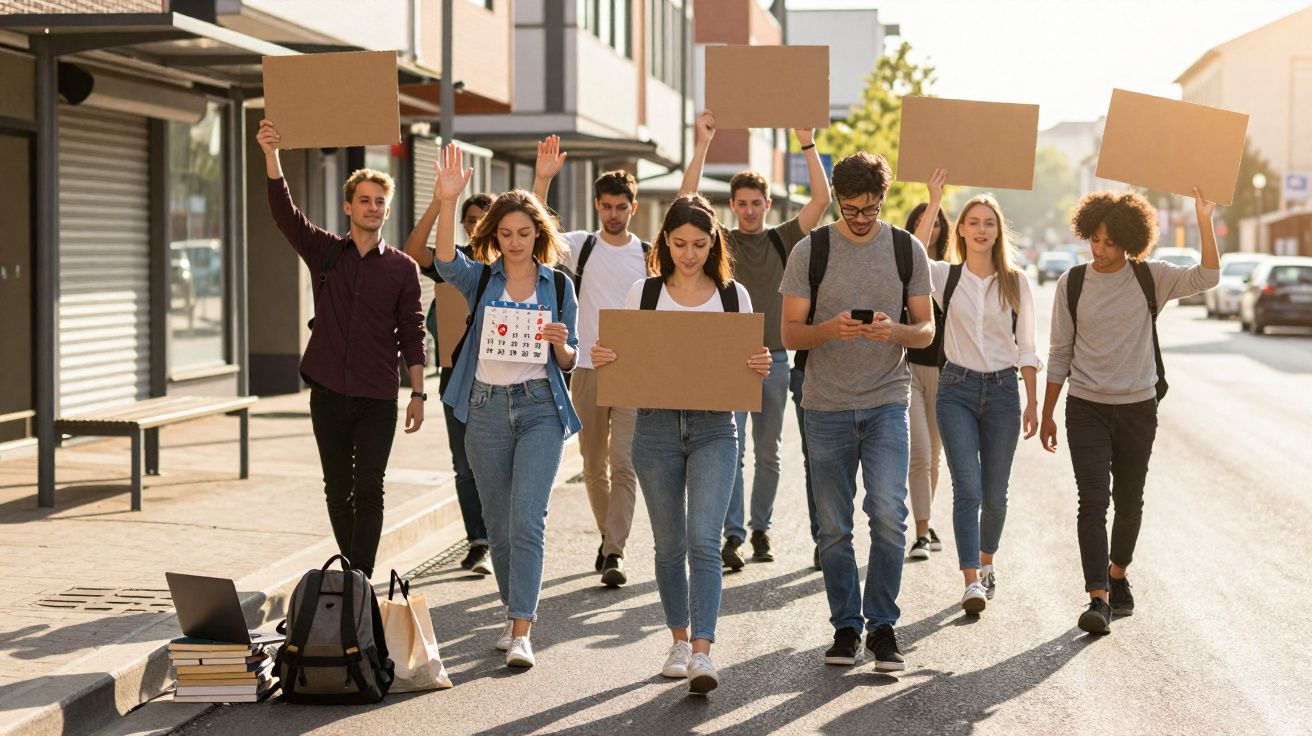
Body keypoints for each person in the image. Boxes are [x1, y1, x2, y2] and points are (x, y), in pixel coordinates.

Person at [592, 195, 771, 694]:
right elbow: (623, 358)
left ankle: (702, 652)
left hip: (717, 428)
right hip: (654, 428)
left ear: (713, 241)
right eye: (678, 244)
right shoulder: (643, 293)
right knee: (669, 545)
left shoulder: (734, 297)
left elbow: (748, 363)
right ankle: (677, 639)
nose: (688, 254)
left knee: (703, 542)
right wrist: (606, 355)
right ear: (664, 243)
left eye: (698, 243)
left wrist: (758, 366)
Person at [1041, 188, 1219, 635]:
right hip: (1086, 407)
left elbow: (1209, 276)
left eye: (1109, 242)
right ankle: (1097, 597)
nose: (1099, 250)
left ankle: (1118, 574)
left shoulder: (1149, 278)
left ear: (1129, 241)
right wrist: (1047, 412)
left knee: (1129, 502)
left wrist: (1203, 219)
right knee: (1092, 502)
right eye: (1094, 240)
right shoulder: (1073, 283)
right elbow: (1060, 352)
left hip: (1137, 408)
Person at [780, 152, 933, 672]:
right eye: (850, 209)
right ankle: (846, 628)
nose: (861, 219)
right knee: (834, 528)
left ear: (882, 200)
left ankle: (883, 626)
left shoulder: (905, 249)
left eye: (870, 209)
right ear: (838, 203)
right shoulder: (812, 250)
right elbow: (789, 334)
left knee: (889, 515)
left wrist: (896, 331)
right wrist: (829, 329)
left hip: (888, 397)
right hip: (824, 404)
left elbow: (927, 329)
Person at [431, 143, 582, 668]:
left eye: (524, 233)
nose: (515, 243)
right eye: (504, 234)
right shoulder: (482, 279)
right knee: (497, 523)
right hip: (486, 409)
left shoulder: (558, 285)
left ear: (537, 234)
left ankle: (523, 630)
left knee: (526, 517)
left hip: (540, 407)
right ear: (492, 237)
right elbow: (444, 260)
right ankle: (509, 609)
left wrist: (562, 344)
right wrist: (448, 197)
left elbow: (569, 360)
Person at [256, 119, 426, 581]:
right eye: (365, 200)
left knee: (370, 487)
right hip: (328, 391)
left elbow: (412, 331)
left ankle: (361, 577)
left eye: (380, 203)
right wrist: (272, 154)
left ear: (387, 212)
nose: (372, 208)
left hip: (376, 396)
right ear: (348, 205)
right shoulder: (325, 252)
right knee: (337, 489)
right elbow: (284, 213)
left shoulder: (403, 270)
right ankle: (352, 571)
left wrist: (418, 393)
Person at [679, 110, 832, 570]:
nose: (748, 210)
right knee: (733, 450)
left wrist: (806, 143)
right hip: (730, 360)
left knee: (768, 452)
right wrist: (703, 143)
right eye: (740, 203)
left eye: (755, 202)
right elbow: (686, 199)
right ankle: (733, 535)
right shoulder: (718, 242)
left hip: (778, 358)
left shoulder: (784, 239)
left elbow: (821, 201)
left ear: (767, 204)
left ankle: (761, 529)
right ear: (731, 206)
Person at [532, 135, 650, 587]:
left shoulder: (647, 255)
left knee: (625, 462)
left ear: (633, 208)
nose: (614, 214)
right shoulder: (582, 246)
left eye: (621, 206)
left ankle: (615, 551)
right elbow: (538, 233)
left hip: (631, 373)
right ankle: (607, 536)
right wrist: (542, 180)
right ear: (597, 206)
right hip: (584, 368)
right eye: (607, 206)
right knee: (592, 464)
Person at [928, 191, 1041, 614]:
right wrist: (935, 200)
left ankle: (988, 562)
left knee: (995, 493)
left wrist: (1032, 403)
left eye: (988, 223)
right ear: (959, 228)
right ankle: (971, 579)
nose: (981, 229)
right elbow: (911, 259)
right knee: (968, 489)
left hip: (1003, 393)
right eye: (972, 222)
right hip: (955, 389)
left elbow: (1027, 346)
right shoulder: (945, 276)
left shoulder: (1016, 282)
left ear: (998, 231)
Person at [405, 182, 495, 577]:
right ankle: (479, 542)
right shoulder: (450, 262)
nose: (476, 227)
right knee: (464, 466)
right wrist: (441, 201)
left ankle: (499, 539)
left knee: (495, 465)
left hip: (497, 382)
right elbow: (412, 250)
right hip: (454, 382)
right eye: (470, 221)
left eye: (483, 221)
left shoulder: (507, 267)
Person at [903, 168, 953, 561]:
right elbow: (915, 252)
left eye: (937, 224)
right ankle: (921, 533)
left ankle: (926, 518)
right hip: (908, 372)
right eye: (925, 224)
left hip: (946, 374)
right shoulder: (906, 267)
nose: (931, 229)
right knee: (918, 453)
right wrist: (934, 199)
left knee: (933, 457)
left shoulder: (955, 273)